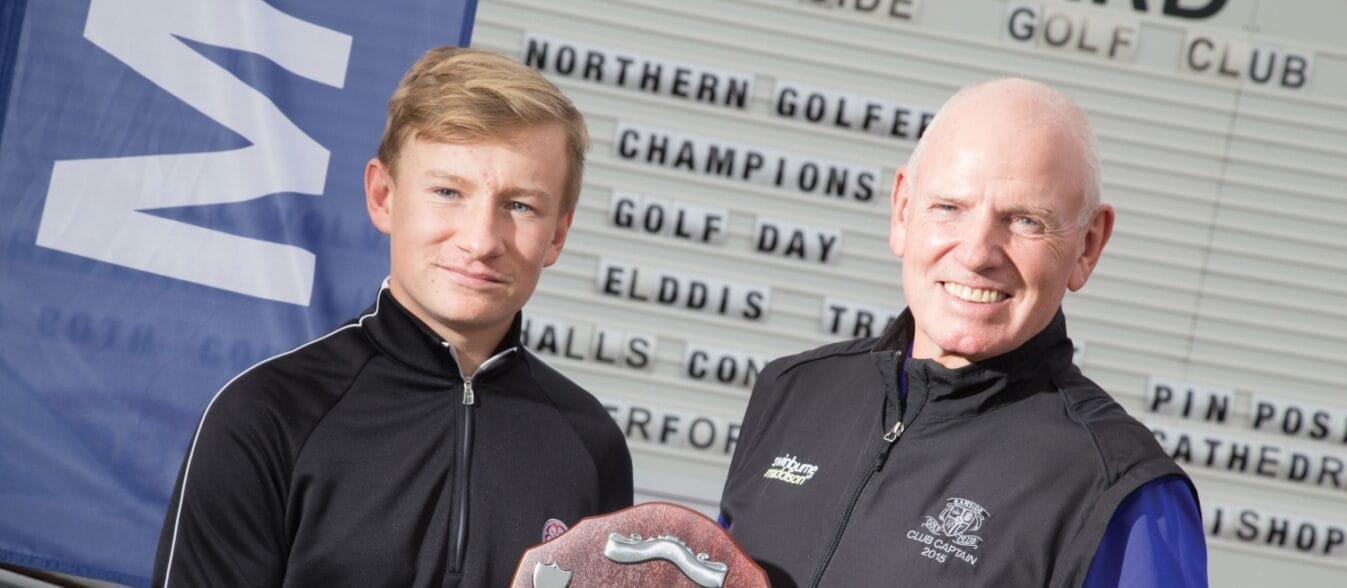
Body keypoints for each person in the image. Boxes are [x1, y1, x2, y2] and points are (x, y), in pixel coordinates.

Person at [153, 47, 633, 586]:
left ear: (558, 235)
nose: (480, 241)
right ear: (384, 197)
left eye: (520, 206)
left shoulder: (591, 447)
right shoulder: (265, 416)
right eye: (448, 192)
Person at [719, 78, 1206, 587]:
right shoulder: (793, 392)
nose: (977, 253)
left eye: (1025, 221)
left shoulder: (1122, 491)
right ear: (903, 210)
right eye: (949, 207)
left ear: (1087, 245)